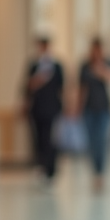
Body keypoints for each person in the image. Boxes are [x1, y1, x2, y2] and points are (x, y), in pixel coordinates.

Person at [78, 38, 110, 190]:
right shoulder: (85, 66)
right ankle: (94, 171)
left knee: (101, 141)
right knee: (91, 142)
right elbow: (82, 88)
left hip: (104, 109)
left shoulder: (108, 63)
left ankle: (100, 172)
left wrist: (101, 70)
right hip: (88, 109)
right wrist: (77, 108)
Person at [25, 37, 64, 184]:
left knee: (50, 139)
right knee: (38, 139)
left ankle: (51, 169)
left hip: (53, 108)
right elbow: (27, 87)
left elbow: (61, 87)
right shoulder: (34, 66)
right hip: (37, 108)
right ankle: (41, 166)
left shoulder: (57, 66)